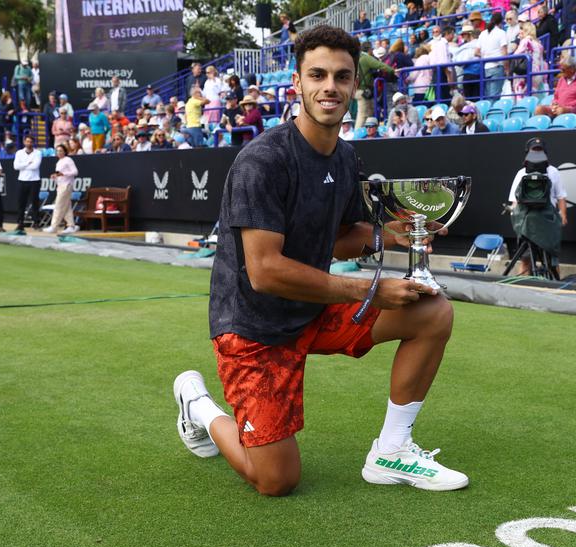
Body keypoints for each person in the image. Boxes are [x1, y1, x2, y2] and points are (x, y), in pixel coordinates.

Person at [173, 24, 469, 497]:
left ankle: (392, 450)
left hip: (311, 309)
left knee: (432, 311)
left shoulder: (345, 158)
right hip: (253, 327)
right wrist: (370, 289)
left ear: (354, 86)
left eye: (341, 76)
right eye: (317, 75)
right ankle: (200, 407)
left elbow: (339, 241)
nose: (329, 86)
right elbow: (265, 271)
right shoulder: (262, 161)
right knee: (276, 480)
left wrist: (395, 234)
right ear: (298, 84)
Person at [506, 137, 568, 277]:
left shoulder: (554, 172)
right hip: (527, 223)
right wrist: (516, 218)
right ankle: (522, 289)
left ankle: (555, 289)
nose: (536, 152)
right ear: (528, 152)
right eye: (534, 150)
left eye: (539, 150)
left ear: (544, 152)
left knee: (552, 263)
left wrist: (563, 216)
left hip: (548, 224)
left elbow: (561, 197)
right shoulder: (521, 174)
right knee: (525, 260)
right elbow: (514, 201)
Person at [358, 45, 395, 126]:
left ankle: (369, 131)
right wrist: (392, 70)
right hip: (364, 90)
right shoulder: (365, 58)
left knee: (369, 113)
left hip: (359, 90)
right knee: (363, 114)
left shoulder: (356, 58)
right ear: (370, 50)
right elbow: (380, 65)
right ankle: (357, 135)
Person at [45, 144, 78, 234]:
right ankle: (71, 226)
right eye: (57, 151)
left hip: (66, 185)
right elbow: (59, 174)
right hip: (60, 186)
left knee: (58, 205)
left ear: (65, 152)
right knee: (67, 207)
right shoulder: (59, 162)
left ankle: (54, 226)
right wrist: (55, 176)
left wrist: (63, 174)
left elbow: (75, 172)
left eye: (61, 151)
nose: (59, 152)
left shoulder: (68, 160)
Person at [13, 135, 42, 231]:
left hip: (34, 180)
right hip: (22, 180)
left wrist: (23, 165)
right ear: (24, 142)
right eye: (27, 141)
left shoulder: (38, 153)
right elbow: (16, 167)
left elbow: (35, 166)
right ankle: (20, 223)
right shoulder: (19, 153)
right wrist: (28, 163)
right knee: (21, 203)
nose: (29, 143)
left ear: (33, 143)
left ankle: (36, 223)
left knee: (35, 202)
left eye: (31, 142)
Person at [513, 22, 549, 96]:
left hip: (526, 71)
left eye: (522, 29)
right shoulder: (538, 43)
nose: (520, 31)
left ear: (526, 30)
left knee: (522, 96)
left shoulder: (526, 41)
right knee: (533, 96)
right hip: (537, 72)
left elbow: (516, 54)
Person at [478, 12, 509, 98]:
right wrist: (507, 69)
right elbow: (504, 53)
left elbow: (476, 52)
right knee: (494, 97)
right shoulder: (501, 33)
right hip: (497, 67)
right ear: (501, 22)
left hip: (486, 68)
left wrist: (486, 55)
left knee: (488, 96)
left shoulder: (482, 34)